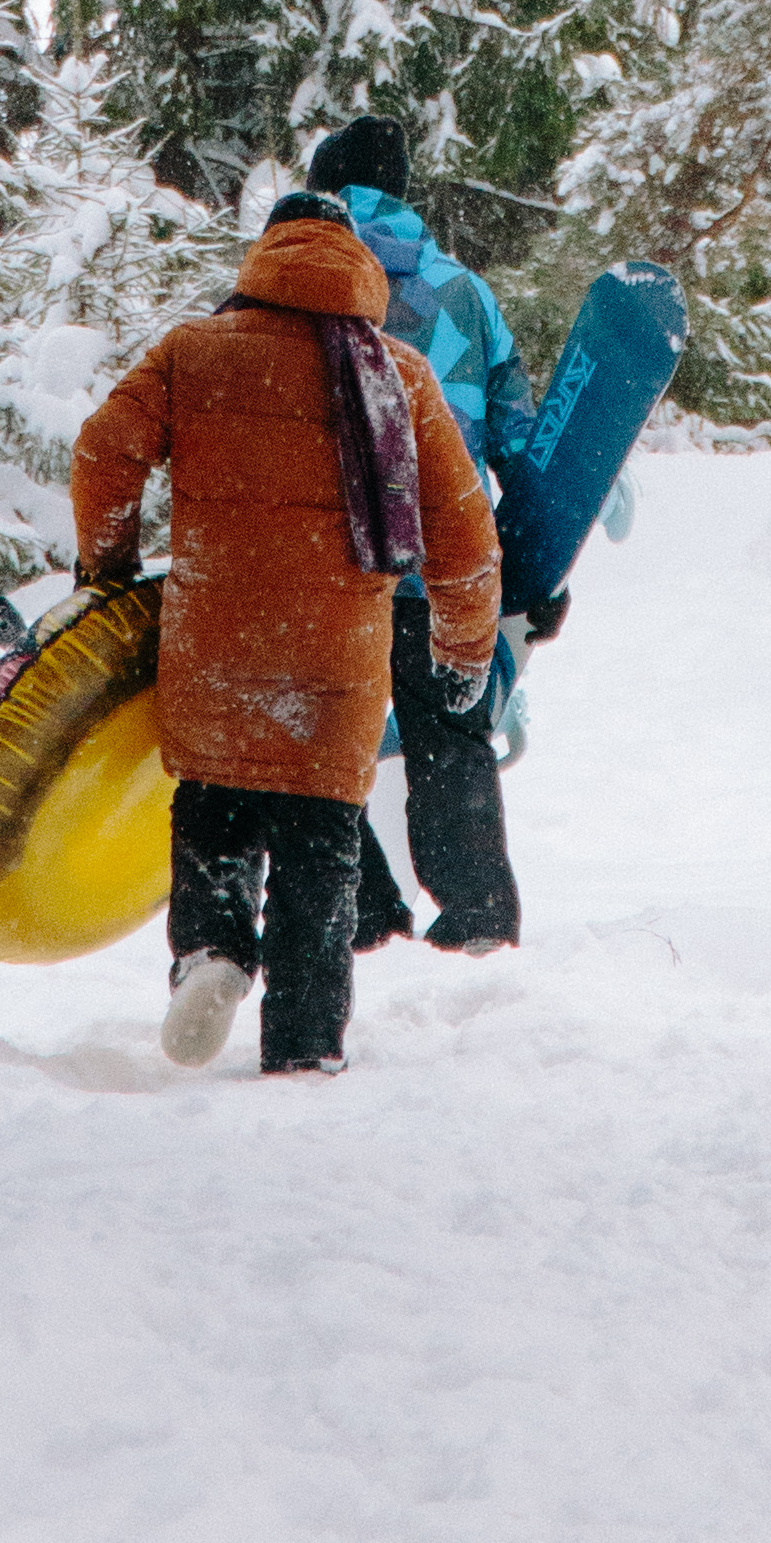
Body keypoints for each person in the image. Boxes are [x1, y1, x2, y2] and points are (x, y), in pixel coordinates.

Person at [71, 176, 501, 1077]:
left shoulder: (194, 352)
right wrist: (462, 647)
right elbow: (464, 530)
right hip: (336, 668)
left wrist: (105, 569)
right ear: (357, 266)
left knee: (216, 812)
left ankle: (215, 952)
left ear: (263, 258)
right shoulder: (400, 373)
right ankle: (306, 1047)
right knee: (319, 856)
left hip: (216, 646)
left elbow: (103, 452)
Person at [304, 113, 540, 960]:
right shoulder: (467, 294)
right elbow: (519, 434)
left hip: (339, 565)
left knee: (318, 745)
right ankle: (478, 914)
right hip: (443, 559)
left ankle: (363, 909)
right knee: (451, 735)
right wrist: (529, 564)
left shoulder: (309, 284)